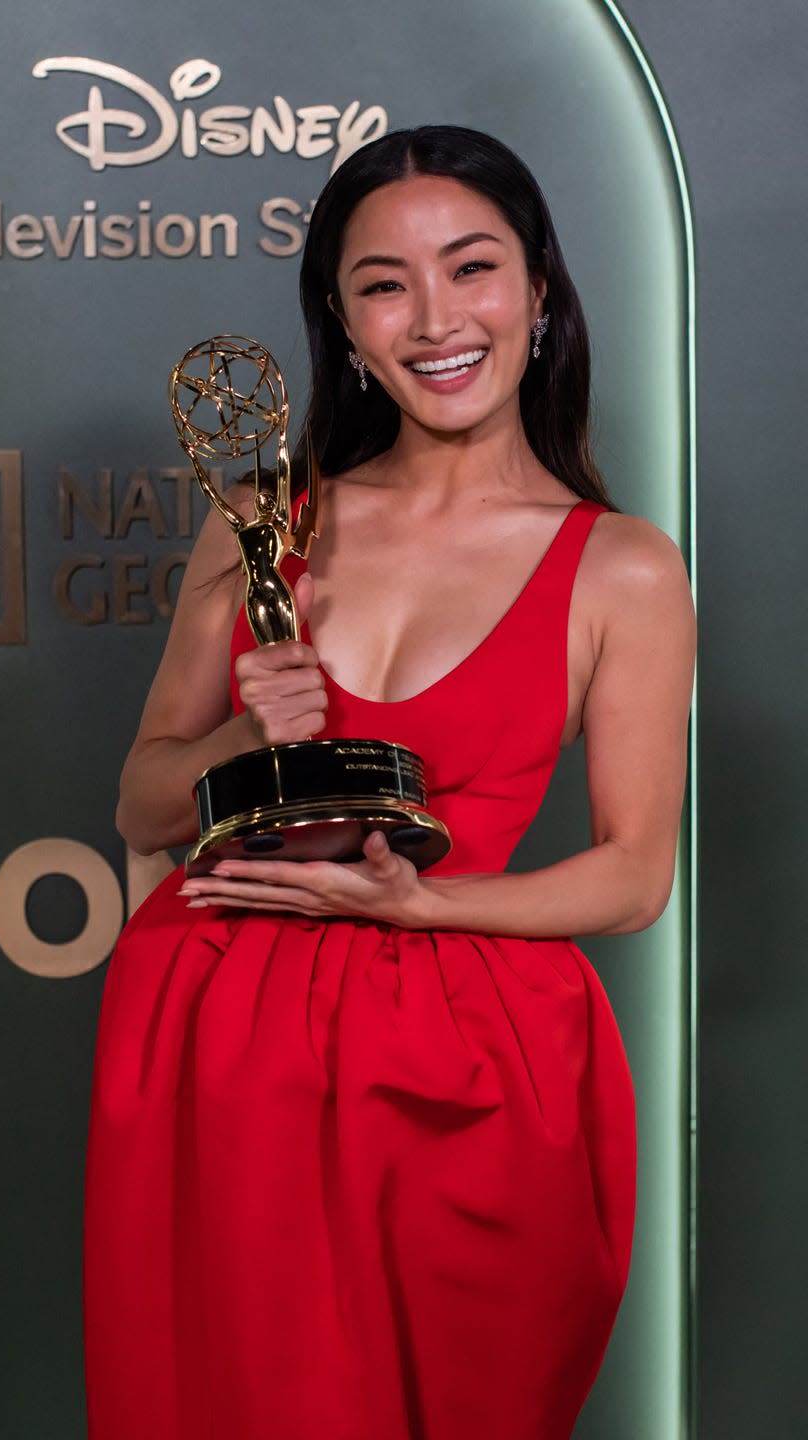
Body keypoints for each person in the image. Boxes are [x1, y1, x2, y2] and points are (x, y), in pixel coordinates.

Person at [83, 126, 696, 1440]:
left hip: (464, 1063)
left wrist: (425, 912)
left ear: (540, 290)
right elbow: (143, 804)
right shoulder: (266, 520)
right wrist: (239, 747)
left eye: (471, 267)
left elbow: (635, 873)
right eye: (382, 284)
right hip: (220, 1046)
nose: (434, 319)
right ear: (342, 323)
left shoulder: (624, 568)